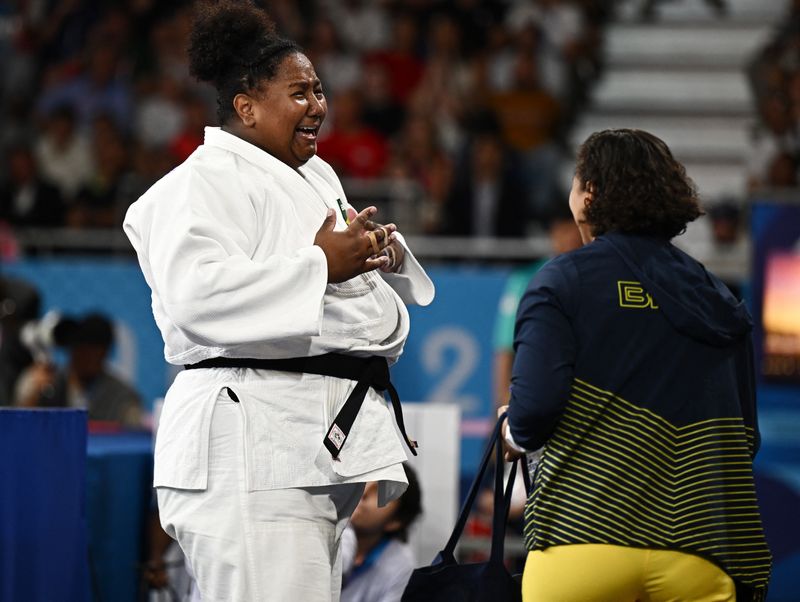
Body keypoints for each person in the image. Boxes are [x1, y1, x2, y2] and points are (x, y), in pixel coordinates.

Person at [122, 2, 435, 601]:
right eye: (299, 92)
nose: (318, 105)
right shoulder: (195, 184)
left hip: (300, 451)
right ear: (247, 105)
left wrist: (376, 253)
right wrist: (321, 262)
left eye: (319, 90)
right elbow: (195, 297)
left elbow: (338, 282)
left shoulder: (315, 176)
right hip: (247, 451)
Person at [500, 129, 771, 601]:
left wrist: (510, 431)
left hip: (581, 543)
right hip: (700, 552)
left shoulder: (561, 280)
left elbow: (535, 410)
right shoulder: (720, 297)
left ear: (589, 195)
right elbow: (746, 435)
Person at [14, 312, 143, 429]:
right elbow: (18, 428)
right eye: (80, 348)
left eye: (94, 350)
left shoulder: (122, 396)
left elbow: (132, 437)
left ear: (105, 353)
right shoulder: (47, 383)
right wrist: (31, 397)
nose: (86, 356)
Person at [341, 463, 422, 602]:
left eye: (381, 493)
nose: (364, 492)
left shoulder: (401, 567)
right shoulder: (323, 527)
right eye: (366, 480)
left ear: (395, 522)